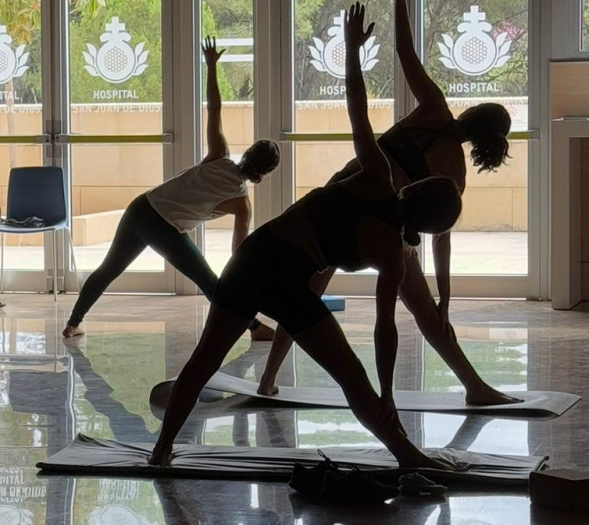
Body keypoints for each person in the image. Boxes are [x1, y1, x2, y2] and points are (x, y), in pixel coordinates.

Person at [150, 4, 453, 470]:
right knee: (349, 377)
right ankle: (409, 457)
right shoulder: (394, 245)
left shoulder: (380, 182)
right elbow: (384, 329)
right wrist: (387, 392)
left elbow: (359, 112)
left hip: (264, 264)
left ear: (414, 189)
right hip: (273, 269)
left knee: (207, 361)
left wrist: (353, 53)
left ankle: (162, 449)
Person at [256, 0, 519, 407]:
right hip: (387, 222)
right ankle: (473, 387)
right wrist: (445, 297)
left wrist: (400, 4)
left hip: (350, 188)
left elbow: (404, 52)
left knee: (306, 289)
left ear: (472, 112)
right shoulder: (457, 171)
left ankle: (268, 380)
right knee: (423, 310)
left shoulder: (434, 106)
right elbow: (440, 236)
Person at [62, 38, 280, 341]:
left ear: (248, 153)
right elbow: (238, 252)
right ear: (265, 173)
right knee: (207, 280)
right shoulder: (242, 204)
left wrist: (212, 67)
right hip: (162, 226)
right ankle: (255, 328)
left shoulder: (220, 156)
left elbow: (214, 109)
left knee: (108, 269)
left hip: (140, 208)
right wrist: (246, 279)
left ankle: (73, 324)